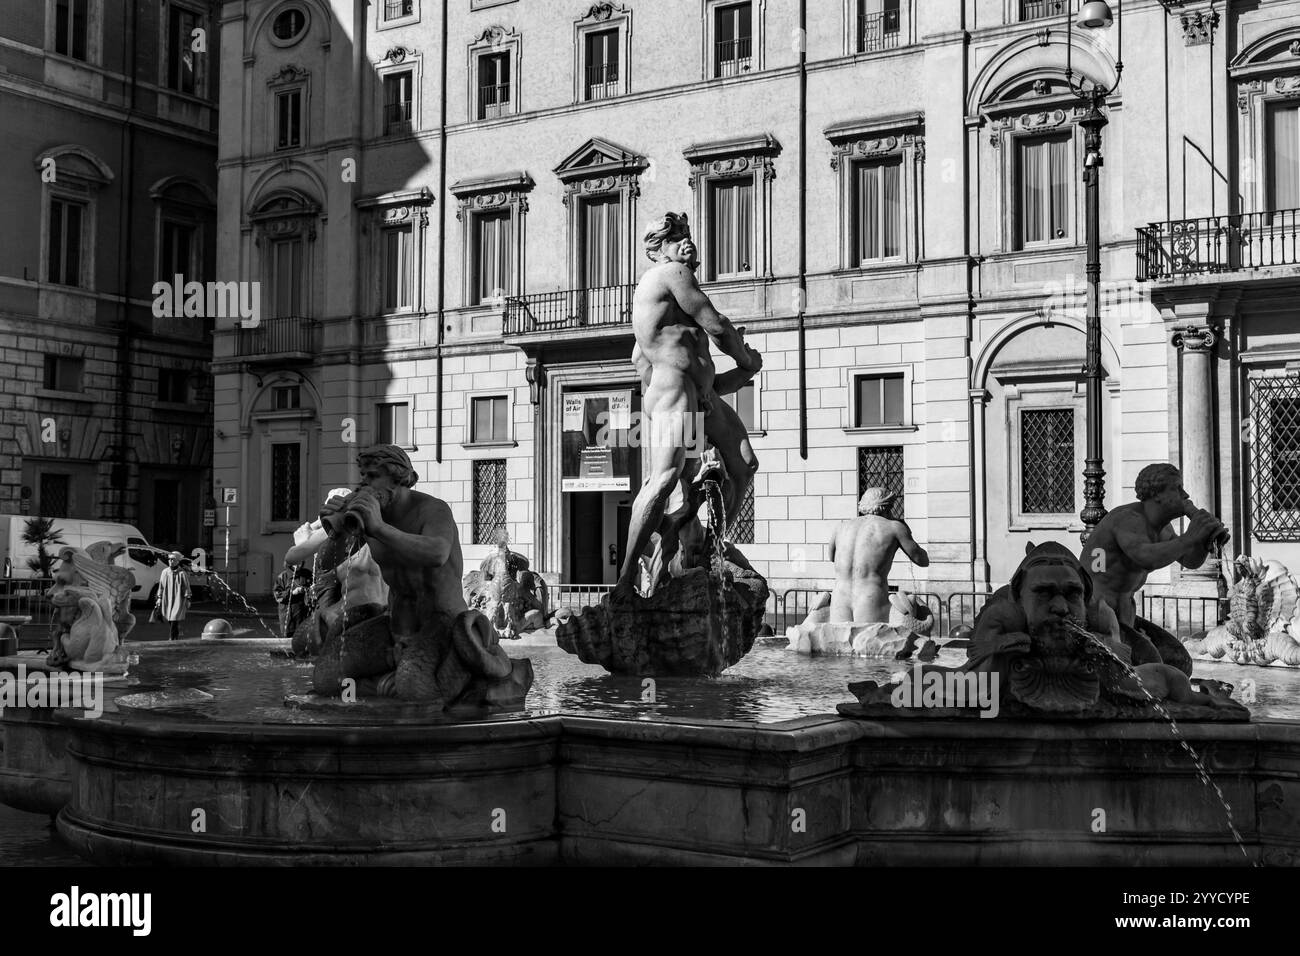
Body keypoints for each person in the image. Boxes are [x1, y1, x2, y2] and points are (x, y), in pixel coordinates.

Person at [615, 212, 763, 600]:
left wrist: (742, 376)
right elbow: (717, 325)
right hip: (676, 391)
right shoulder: (671, 275)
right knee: (664, 480)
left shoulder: (671, 307)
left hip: (699, 397)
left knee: (743, 464)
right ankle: (626, 577)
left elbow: (641, 358)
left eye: (686, 234)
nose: (686, 242)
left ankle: (709, 550)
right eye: (675, 236)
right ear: (658, 249)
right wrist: (745, 357)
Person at [1079, 462, 1228, 672]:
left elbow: (1190, 561)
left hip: (1124, 613)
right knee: (1153, 665)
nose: (1185, 494)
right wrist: (1190, 537)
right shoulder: (1127, 519)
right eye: (1177, 488)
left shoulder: (1162, 527)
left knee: (1179, 661)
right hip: (1096, 613)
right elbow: (1146, 557)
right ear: (1156, 494)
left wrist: (1204, 541)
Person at [826, 488, 930, 624]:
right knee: (870, 644)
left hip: (839, 598)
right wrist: (905, 531)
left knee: (839, 645)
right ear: (888, 507)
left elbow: (832, 557)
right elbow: (922, 560)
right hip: (870, 598)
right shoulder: (894, 527)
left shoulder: (841, 527)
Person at [155, 551, 192, 641]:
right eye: (169, 559)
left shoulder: (182, 573)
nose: (170, 561)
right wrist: (159, 598)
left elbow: (186, 586)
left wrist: (188, 598)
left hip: (178, 599)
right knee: (170, 619)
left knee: (174, 618)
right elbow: (161, 586)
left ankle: (171, 638)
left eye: (173, 559)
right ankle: (175, 636)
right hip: (166, 599)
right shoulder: (164, 572)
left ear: (178, 561)